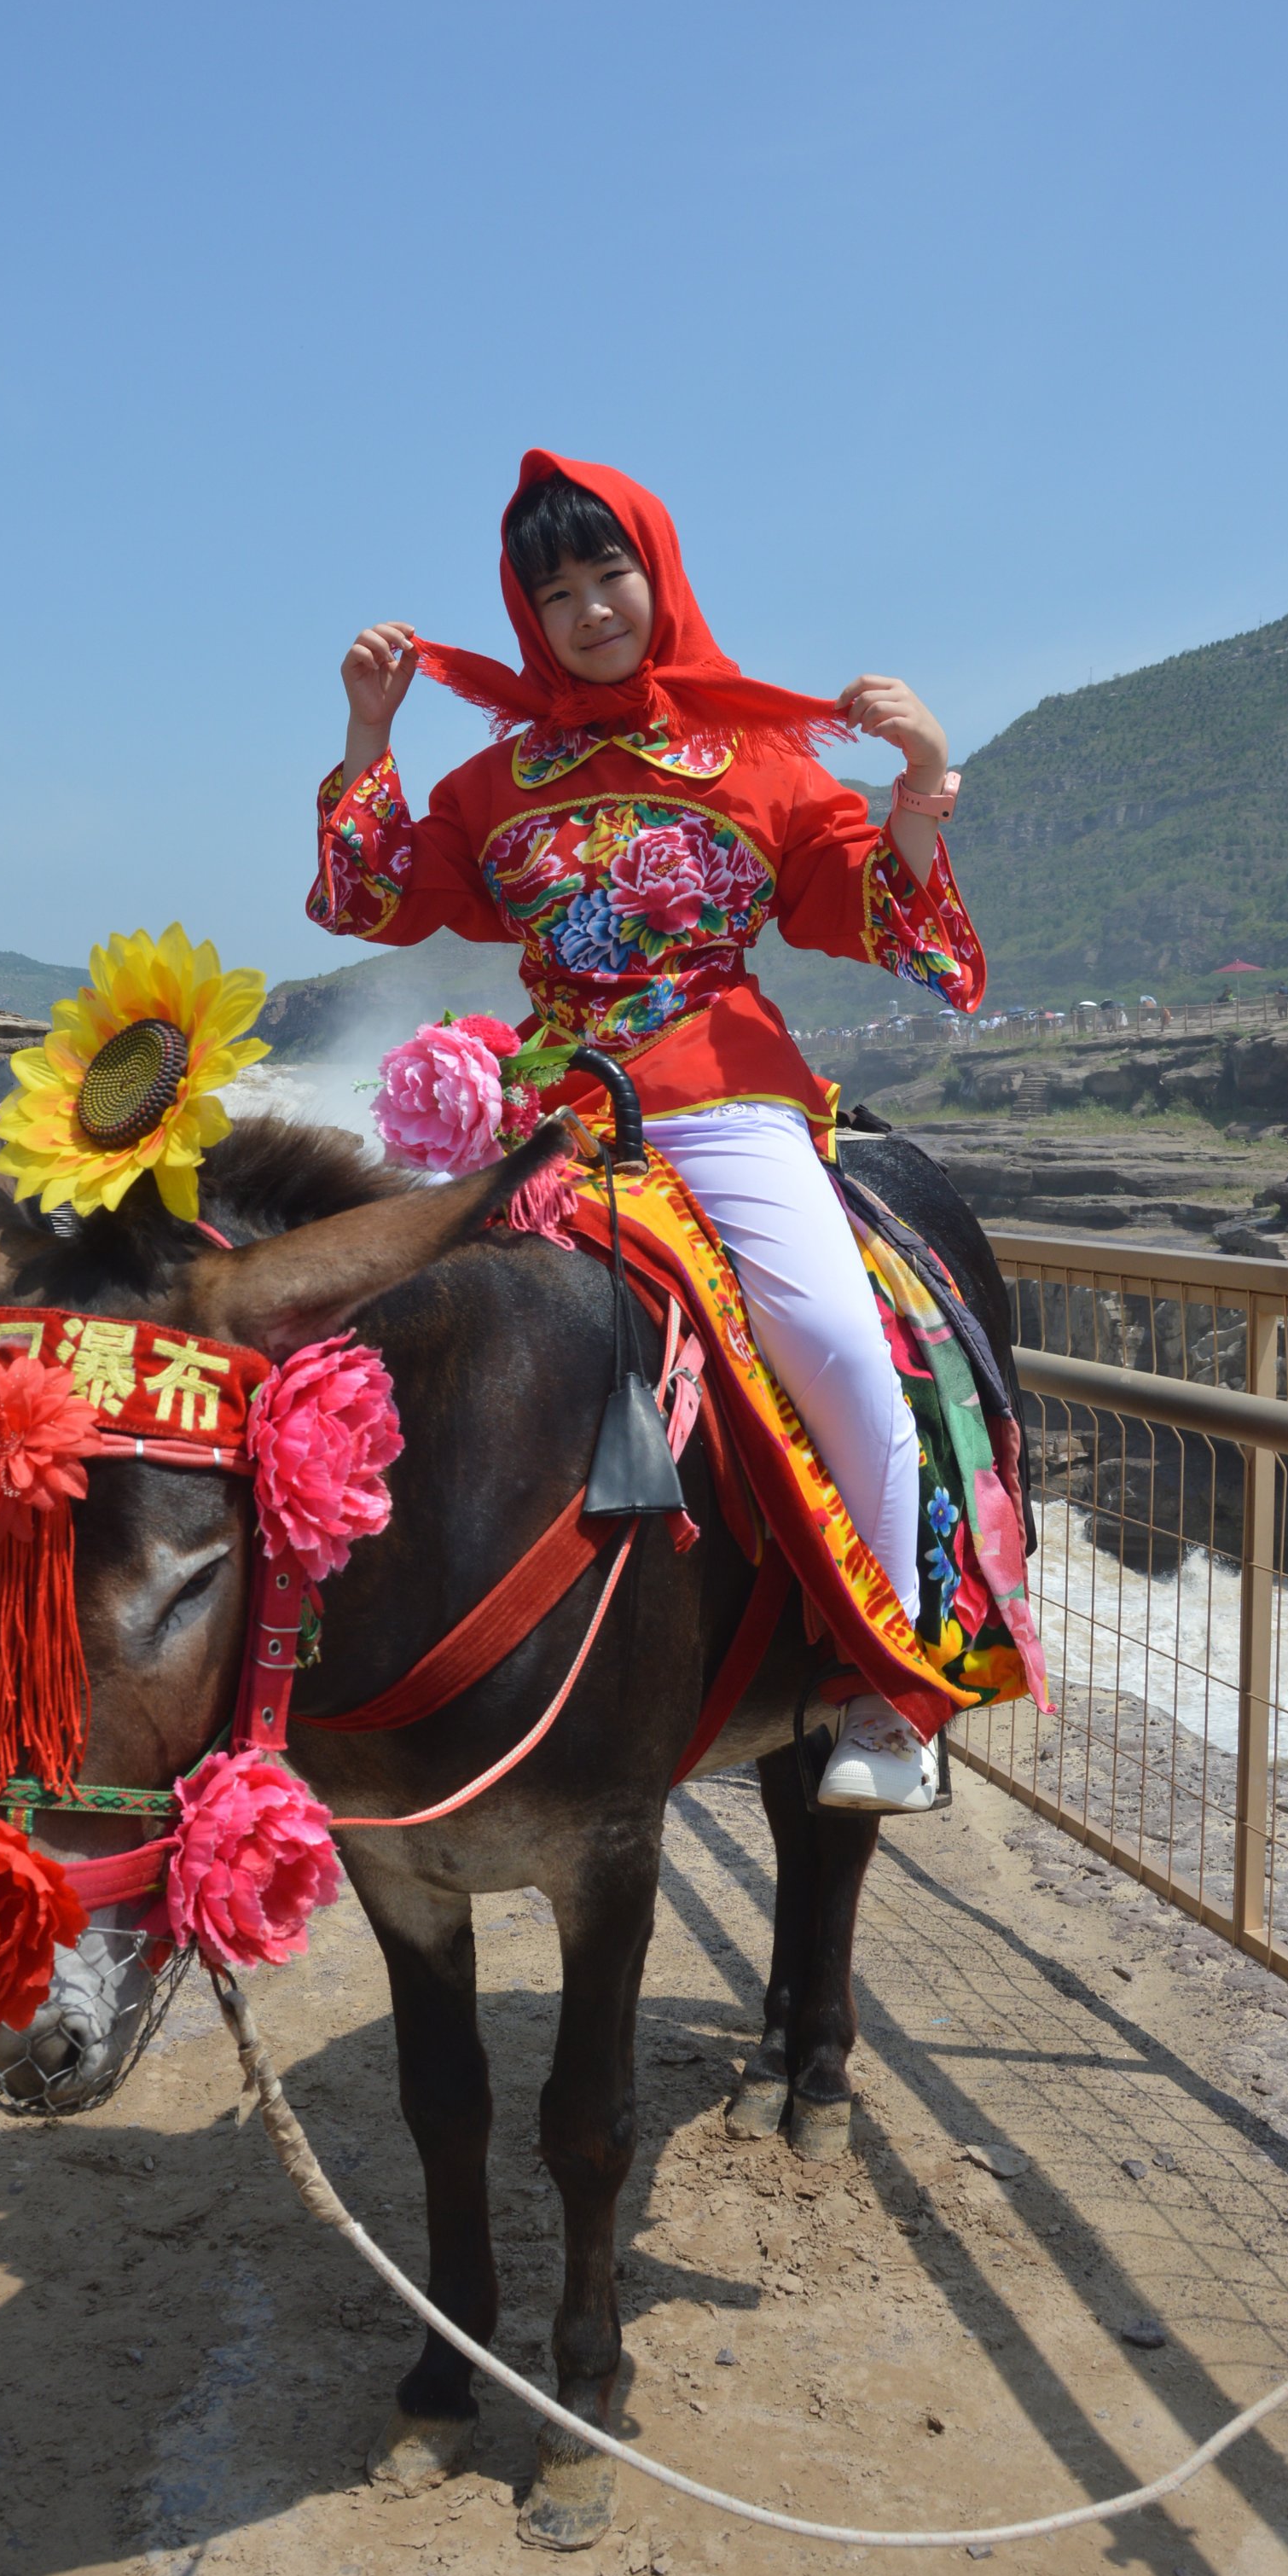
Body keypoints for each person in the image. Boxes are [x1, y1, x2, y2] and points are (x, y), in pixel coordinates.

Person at [312, 452, 987, 1813]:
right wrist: (371, 740)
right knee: (366, 1345)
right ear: (525, 612)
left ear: (659, 574)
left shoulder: (763, 761)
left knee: (841, 1343)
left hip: (721, 1103)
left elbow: (875, 912)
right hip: (542, 1117)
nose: (587, 607)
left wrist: (921, 777)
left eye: (608, 572)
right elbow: (374, 903)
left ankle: (893, 1688)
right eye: (551, 588)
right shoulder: (498, 783)